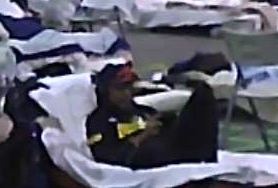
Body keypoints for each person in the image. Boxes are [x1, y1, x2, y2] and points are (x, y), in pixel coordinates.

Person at [86, 65, 218, 169]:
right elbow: (109, 158)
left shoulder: (139, 110)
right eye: (120, 89)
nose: (127, 93)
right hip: (146, 158)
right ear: (105, 90)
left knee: (203, 95)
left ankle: (207, 159)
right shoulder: (99, 121)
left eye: (129, 87)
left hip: (168, 146)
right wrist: (143, 136)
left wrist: (164, 120)